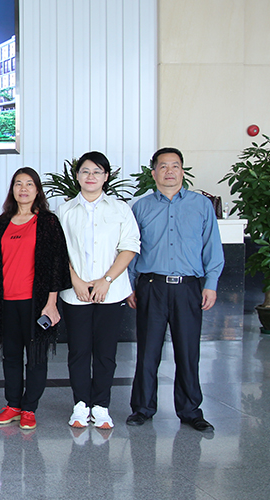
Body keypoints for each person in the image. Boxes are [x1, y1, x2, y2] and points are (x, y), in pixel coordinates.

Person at [126, 147, 224, 432]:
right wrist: (130, 287)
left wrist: (211, 285)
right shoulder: (140, 207)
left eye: (175, 166)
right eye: (163, 166)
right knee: (147, 351)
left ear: (182, 171)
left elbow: (212, 247)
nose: (169, 171)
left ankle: (190, 410)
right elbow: (131, 249)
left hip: (188, 288)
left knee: (188, 351)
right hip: (151, 287)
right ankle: (143, 407)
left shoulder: (201, 205)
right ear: (153, 172)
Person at [56, 151, 140, 430]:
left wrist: (107, 280)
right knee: (79, 351)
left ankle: (101, 405)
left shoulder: (120, 209)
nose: (90, 176)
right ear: (77, 176)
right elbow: (58, 252)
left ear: (106, 176)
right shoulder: (65, 211)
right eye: (85, 171)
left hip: (111, 291)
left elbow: (129, 246)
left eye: (97, 171)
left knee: (106, 353)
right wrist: (76, 281)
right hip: (75, 293)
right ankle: (81, 404)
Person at [0, 167, 71, 430]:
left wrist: (51, 302)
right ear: (12, 189)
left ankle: (29, 408)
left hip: (36, 303)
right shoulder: (2, 222)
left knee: (36, 356)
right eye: (18, 184)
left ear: (37, 190)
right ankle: (13, 405)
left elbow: (57, 263)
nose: (23, 189)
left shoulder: (47, 222)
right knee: (10, 356)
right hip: (5, 301)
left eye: (29, 184)